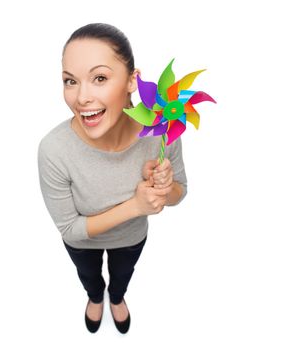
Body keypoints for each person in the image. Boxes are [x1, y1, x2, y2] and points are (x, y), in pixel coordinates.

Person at [37, 23, 187, 334]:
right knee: (89, 276)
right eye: (70, 81)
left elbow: (179, 193)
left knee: (123, 274)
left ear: (132, 80)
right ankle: (95, 297)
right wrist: (136, 205)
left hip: (131, 239)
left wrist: (164, 187)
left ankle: (117, 297)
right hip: (82, 244)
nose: (81, 97)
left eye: (100, 78)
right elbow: (70, 229)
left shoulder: (163, 133)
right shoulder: (53, 149)